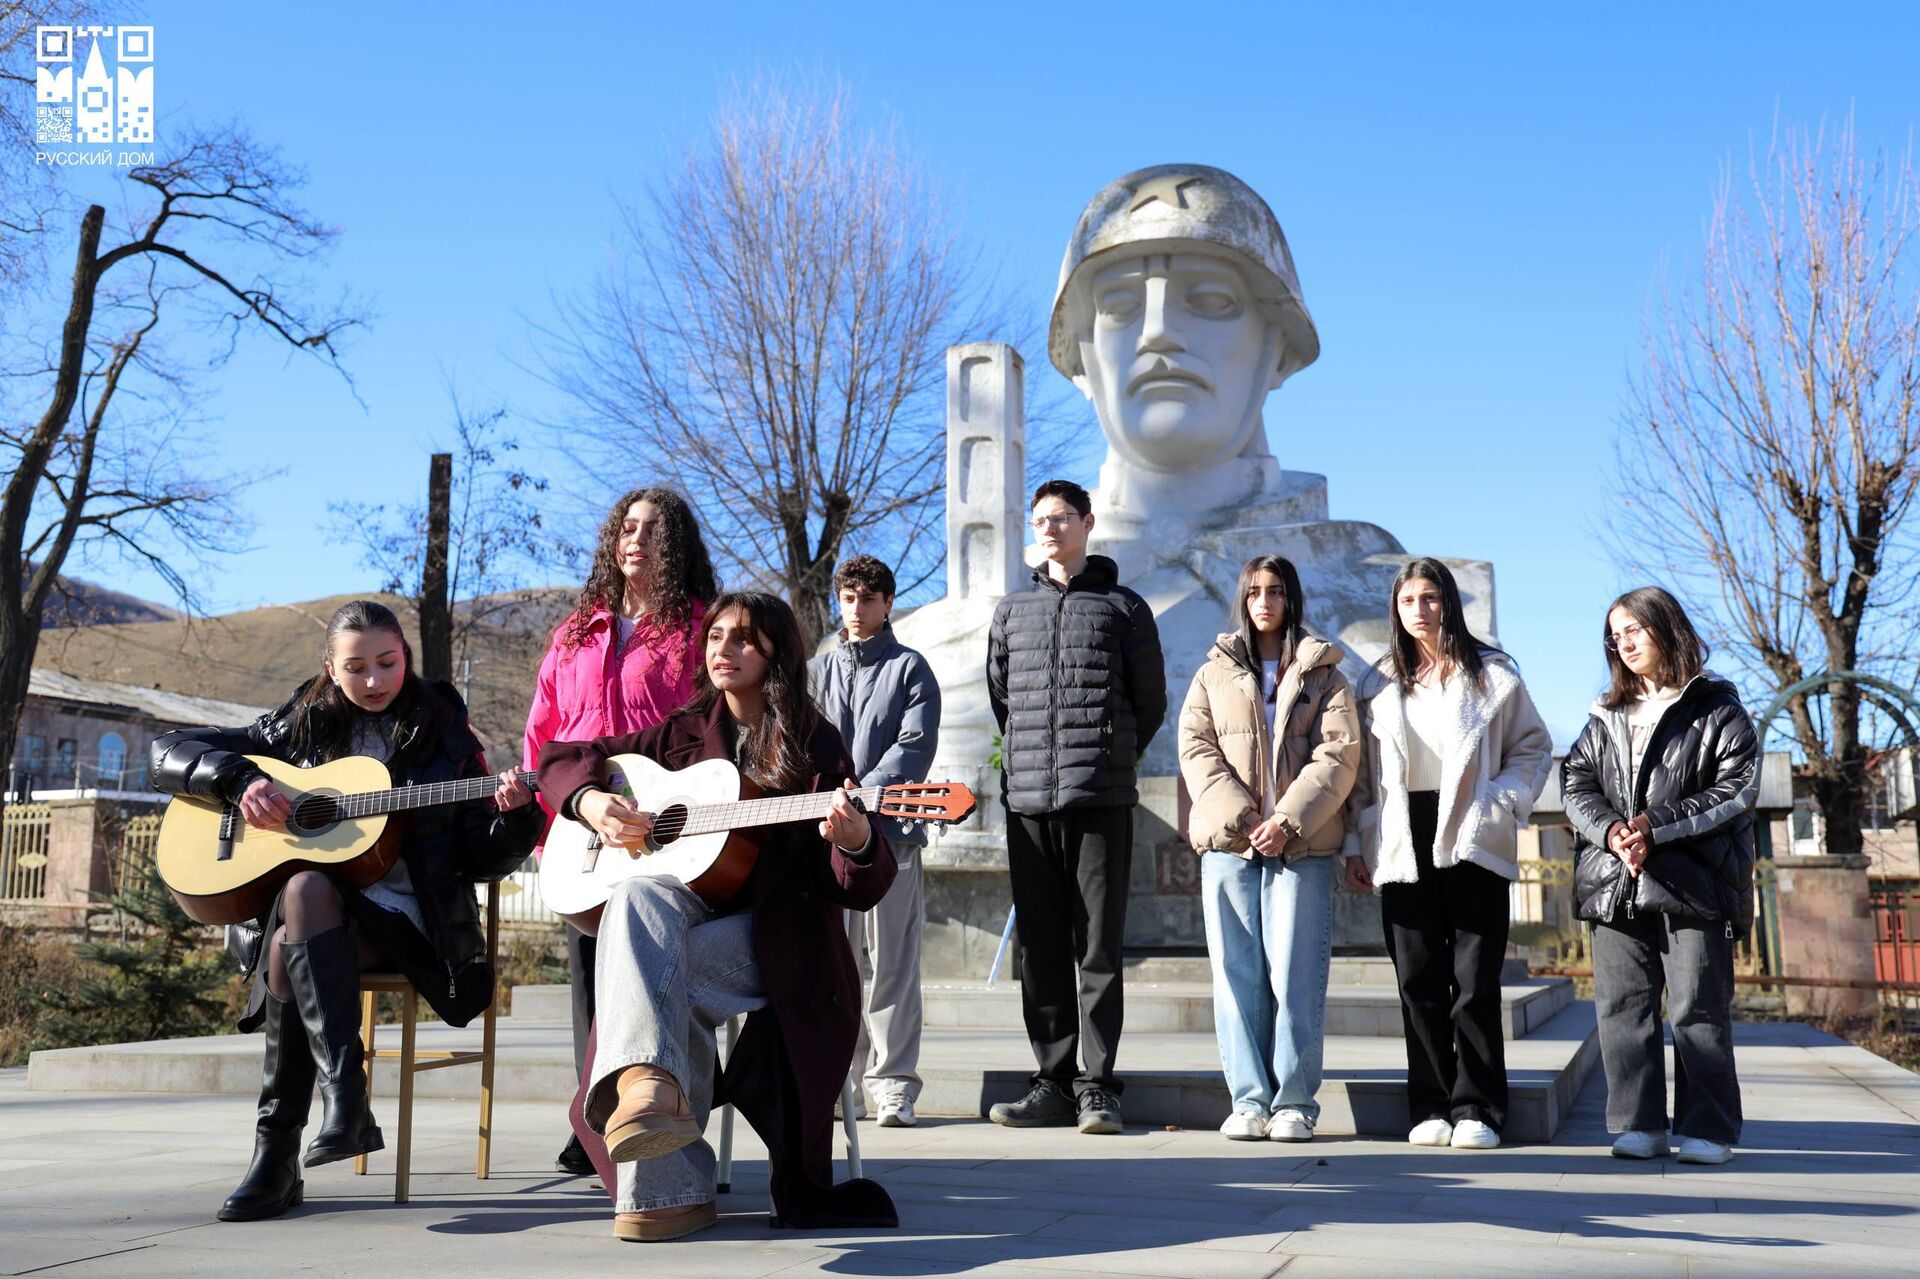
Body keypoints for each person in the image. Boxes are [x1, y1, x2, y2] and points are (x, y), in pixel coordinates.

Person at [148, 600, 540, 1221]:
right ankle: (339, 1108)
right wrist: (240, 781)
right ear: (330, 669)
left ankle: (279, 1155)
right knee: (303, 899)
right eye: (355, 667)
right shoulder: (296, 727)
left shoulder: (446, 735)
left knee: (293, 928)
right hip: (318, 920)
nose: (375, 680)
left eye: (388, 662)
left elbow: (476, 857)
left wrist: (517, 819)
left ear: (405, 658)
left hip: (412, 925)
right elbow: (167, 749)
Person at [537, 592, 899, 1242]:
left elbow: (855, 883)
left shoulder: (814, 742)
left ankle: (667, 1183)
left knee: (652, 975)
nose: (722, 650)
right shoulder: (679, 734)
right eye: (716, 636)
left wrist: (853, 840)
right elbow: (561, 756)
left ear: (776, 654)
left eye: (743, 639)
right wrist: (592, 802)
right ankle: (654, 1098)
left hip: (774, 941)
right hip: (679, 926)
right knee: (637, 897)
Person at [522, 486, 714, 1174]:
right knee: (585, 975)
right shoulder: (574, 631)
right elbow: (541, 735)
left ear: (678, 546)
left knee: (632, 964)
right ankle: (595, 1112)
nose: (636, 539)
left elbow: (707, 732)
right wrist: (554, 817)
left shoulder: (698, 627)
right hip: (580, 821)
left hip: (659, 827)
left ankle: (622, 1109)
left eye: (654, 531)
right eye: (628, 528)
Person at [1344, 558, 1552, 1151]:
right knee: (1418, 978)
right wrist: (1362, 838)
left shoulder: (1493, 675)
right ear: (1396, 609)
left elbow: (1532, 748)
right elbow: (1363, 776)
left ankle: (1479, 1110)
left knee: (1475, 979)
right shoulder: (1379, 681)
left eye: (1430, 598)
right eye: (1408, 600)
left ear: (1449, 603)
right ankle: (1430, 1104)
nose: (1420, 610)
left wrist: (1500, 801)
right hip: (1401, 832)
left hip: (1471, 830)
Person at [986, 478, 1167, 1135]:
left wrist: (1107, 756)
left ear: (1088, 523)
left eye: (1061, 517)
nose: (1051, 529)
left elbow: (1150, 703)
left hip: (1100, 798)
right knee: (1038, 948)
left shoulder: (1124, 607)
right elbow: (1003, 699)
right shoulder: (1011, 611)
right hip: (1029, 800)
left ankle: (1099, 1087)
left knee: (1098, 947)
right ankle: (1052, 1080)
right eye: (1041, 519)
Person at [1562, 586, 1758, 1165]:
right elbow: (1576, 784)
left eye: (1634, 630)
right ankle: (1638, 1123)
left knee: (1697, 1005)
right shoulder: (1605, 713)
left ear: (1666, 629)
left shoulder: (1717, 706)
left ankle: (1709, 1128)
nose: (1623, 643)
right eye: (1614, 634)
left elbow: (1738, 788)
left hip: (1695, 884)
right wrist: (1613, 832)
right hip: (1613, 880)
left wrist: (1653, 827)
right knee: (1622, 1007)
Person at [1177, 555, 1360, 1142]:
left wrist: (1285, 820)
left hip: (1300, 847)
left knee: (1296, 974)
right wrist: (1247, 816)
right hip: (1231, 844)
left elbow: (1339, 756)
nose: (1264, 601)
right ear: (1242, 599)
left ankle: (1295, 1103)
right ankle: (1250, 1100)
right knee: (1237, 976)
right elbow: (1196, 749)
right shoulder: (1212, 673)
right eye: (1254, 591)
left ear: (1291, 598)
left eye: (1276, 591)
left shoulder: (1325, 673)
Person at [808, 554, 941, 1128]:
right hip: (830, 834)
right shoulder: (817, 669)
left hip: (892, 834)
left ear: (888, 603)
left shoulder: (912, 668)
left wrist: (861, 793)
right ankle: (846, 1080)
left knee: (893, 963)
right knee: (839, 963)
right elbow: (802, 741)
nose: (856, 610)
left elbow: (914, 746)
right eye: (847, 598)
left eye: (867, 599)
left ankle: (894, 1084)